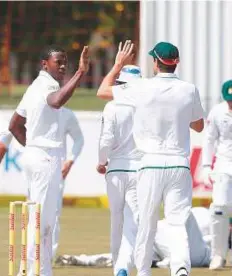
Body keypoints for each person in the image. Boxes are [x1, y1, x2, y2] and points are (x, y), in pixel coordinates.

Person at [97, 40, 204, 276]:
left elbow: (103, 91)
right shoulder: (189, 89)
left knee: (146, 221)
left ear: (155, 62)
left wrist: (117, 65)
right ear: (176, 63)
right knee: (177, 223)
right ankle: (180, 269)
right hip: (178, 164)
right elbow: (198, 125)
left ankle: (143, 272)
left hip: (150, 163)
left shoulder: (141, 88)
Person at [9, 45, 89, 276]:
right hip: (45, 158)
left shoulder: (33, 86)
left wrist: (33, 146)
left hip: (34, 156)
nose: (63, 66)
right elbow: (56, 101)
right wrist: (80, 73)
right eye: (58, 62)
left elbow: (14, 126)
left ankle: (38, 270)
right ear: (45, 64)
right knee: (43, 221)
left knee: (40, 218)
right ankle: (36, 272)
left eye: (66, 62)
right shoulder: (48, 85)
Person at [97, 65, 142, 276]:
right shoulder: (146, 105)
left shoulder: (112, 106)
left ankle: (118, 266)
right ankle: (123, 266)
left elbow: (106, 139)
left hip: (115, 169)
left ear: (120, 83)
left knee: (117, 219)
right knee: (133, 222)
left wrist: (101, 161)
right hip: (139, 169)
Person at [55, 207, 211, 268]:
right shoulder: (207, 215)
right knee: (126, 255)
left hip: (173, 243)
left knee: (130, 252)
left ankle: (162, 263)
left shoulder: (208, 225)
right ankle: (83, 259)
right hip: (162, 241)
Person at [202, 80, 232, 270]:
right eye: (229, 100)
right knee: (219, 208)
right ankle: (218, 255)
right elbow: (209, 139)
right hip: (224, 165)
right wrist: (206, 166)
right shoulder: (218, 111)